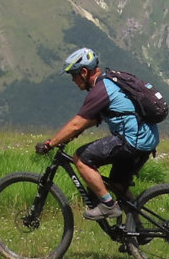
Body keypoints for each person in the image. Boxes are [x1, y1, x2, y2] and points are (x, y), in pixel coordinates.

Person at [34, 46, 159, 221]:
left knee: (80, 158)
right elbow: (92, 119)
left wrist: (50, 144)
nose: (73, 81)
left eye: (73, 75)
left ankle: (107, 205)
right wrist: (72, 134)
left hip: (132, 140)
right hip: (147, 139)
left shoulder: (101, 89)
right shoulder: (111, 82)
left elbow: (77, 123)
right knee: (117, 185)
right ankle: (136, 232)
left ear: (84, 72)